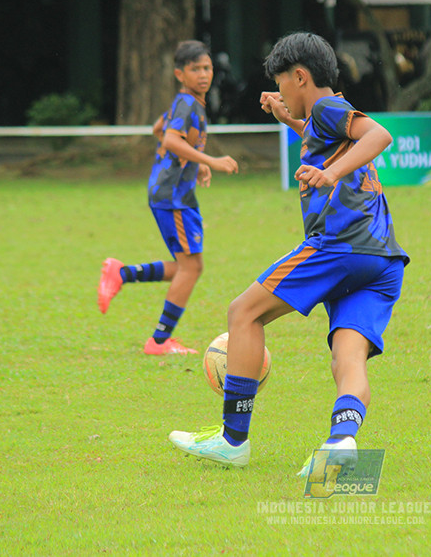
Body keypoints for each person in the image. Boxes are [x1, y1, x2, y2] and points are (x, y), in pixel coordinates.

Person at [168, 32, 409, 473]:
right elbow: (327, 139)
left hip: (340, 247)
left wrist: (331, 173)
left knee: (243, 313)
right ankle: (342, 443)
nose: (278, 93)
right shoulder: (322, 117)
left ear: (300, 77)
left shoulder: (328, 106)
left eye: (281, 85)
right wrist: (288, 119)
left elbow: (380, 135)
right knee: (347, 357)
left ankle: (232, 440)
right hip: (383, 260)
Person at [98, 40, 239, 355]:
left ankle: (121, 274)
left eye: (207, 68)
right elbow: (172, 141)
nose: (203, 75)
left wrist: (196, 161)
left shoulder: (187, 102)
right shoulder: (188, 103)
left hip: (174, 193)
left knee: (187, 266)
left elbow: (158, 128)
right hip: (172, 195)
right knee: (192, 267)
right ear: (180, 73)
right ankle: (159, 341)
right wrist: (210, 160)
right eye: (195, 69)